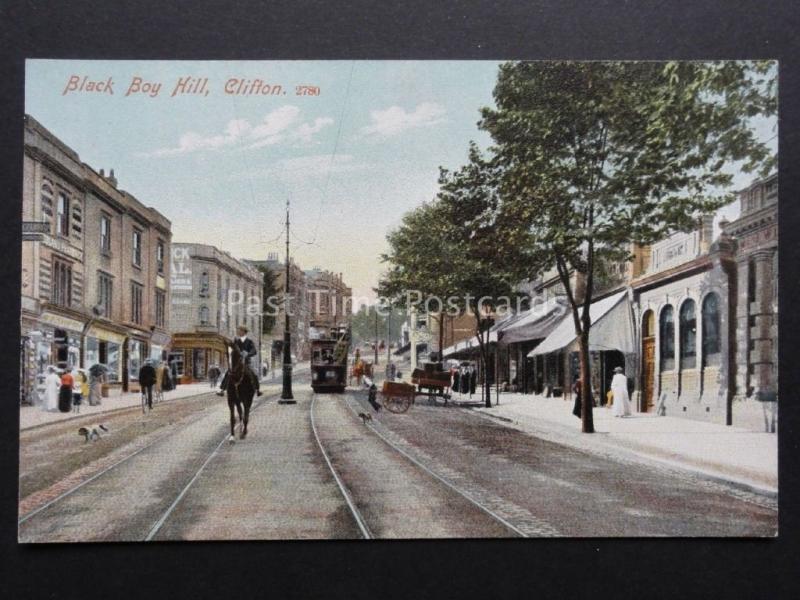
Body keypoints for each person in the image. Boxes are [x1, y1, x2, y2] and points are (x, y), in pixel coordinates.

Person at [217, 326, 262, 397]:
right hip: (236, 363)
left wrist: (247, 354)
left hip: (246, 362)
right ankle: (222, 389)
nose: (238, 332)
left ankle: (257, 390)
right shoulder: (236, 341)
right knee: (228, 373)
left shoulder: (249, 341)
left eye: (239, 330)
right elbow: (231, 347)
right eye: (238, 330)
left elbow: (254, 351)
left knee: (253, 373)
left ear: (244, 332)